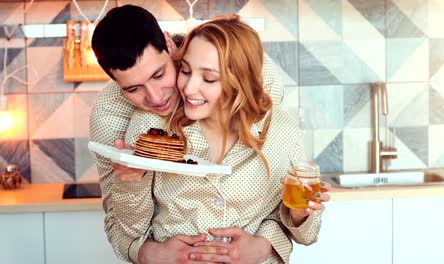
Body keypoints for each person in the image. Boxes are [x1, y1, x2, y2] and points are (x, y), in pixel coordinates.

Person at [89, 4, 325, 263]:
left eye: (159, 74)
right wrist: (150, 253)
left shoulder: (275, 123)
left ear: (170, 46)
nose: (156, 97)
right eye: (133, 89)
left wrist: (264, 245)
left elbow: (263, 100)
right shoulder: (128, 120)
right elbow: (122, 226)